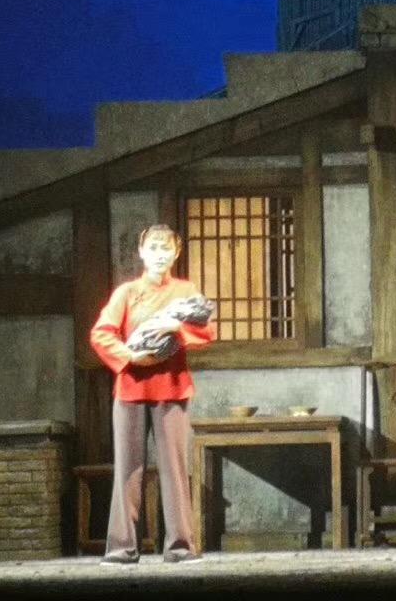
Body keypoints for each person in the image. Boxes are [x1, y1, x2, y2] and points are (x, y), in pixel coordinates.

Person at [91, 224, 218, 564]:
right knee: (128, 468)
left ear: (176, 253)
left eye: (166, 249)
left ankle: (180, 547)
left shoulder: (185, 290)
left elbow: (207, 330)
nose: (160, 255)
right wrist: (130, 355)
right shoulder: (127, 292)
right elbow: (101, 334)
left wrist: (177, 326)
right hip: (131, 388)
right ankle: (121, 548)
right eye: (153, 248)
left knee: (174, 468)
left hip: (171, 387)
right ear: (142, 252)